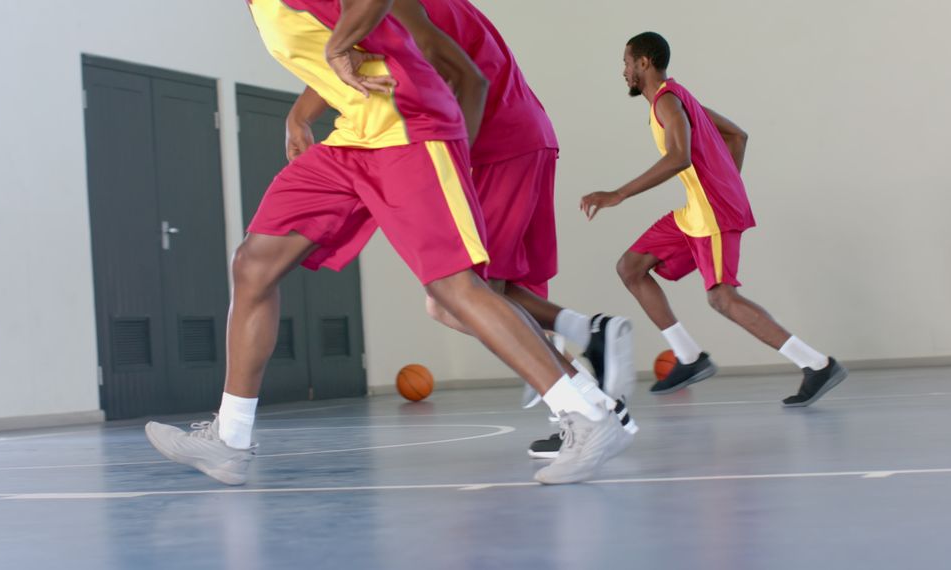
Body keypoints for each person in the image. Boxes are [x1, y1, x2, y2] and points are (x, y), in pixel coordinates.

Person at [144, 0, 632, 487]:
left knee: (452, 288)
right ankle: (229, 440)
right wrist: (300, 113)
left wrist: (339, 46)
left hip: (409, 129)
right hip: (354, 137)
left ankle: (588, 416)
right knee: (254, 264)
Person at [580, 32, 847, 407]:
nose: (623, 70)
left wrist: (618, 194)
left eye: (626, 62)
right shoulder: (677, 97)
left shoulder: (667, 102)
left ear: (643, 63)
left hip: (712, 213)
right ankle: (688, 356)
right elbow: (737, 136)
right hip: (699, 209)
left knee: (722, 297)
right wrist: (725, 182)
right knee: (631, 267)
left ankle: (817, 365)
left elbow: (679, 157)